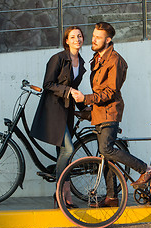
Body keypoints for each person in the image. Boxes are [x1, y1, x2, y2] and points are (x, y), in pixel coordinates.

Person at [71, 22, 151, 207]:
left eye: (98, 37)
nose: (93, 40)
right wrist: (87, 109)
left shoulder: (115, 60)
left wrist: (85, 98)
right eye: (93, 36)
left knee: (106, 150)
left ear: (108, 40)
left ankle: (147, 169)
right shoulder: (97, 58)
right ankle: (112, 197)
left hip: (110, 112)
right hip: (100, 113)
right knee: (106, 157)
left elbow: (110, 92)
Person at [30, 26, 86, 208]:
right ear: (66, 41)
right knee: (68, 150)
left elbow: (75, 91)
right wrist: (68, 90)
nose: (77, 39)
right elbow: (48, 84)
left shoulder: (82, 62)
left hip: (67, 113)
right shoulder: (58, 59)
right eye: (73, 37)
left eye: (79, 36)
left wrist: (85, 107)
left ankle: (63, 196)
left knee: (65, 154)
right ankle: (61, 192)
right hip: (53, 112)